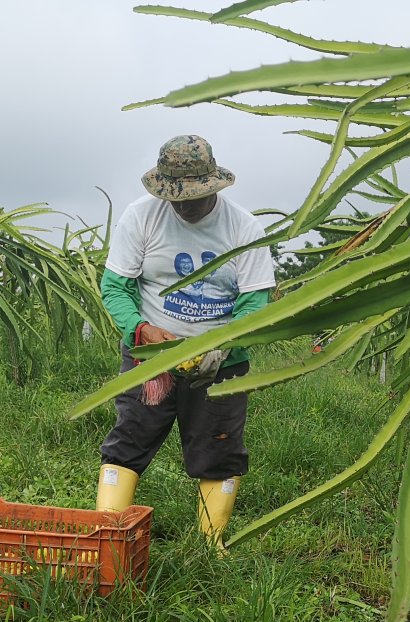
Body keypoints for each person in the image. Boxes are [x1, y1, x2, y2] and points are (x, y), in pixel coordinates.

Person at [96, 135, 276, 550]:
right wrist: (141, 331)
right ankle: (106, 533)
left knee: (219, 447)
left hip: (220, 362)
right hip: (151, 356)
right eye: (175, 197)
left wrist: (221, 344)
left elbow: (255, 303)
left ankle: (209, 549)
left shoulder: (245, 229)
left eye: (194, 197)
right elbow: (115, 287)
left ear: (214, 185)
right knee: (130, 437)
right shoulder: (141, 217)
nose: (184, 206)